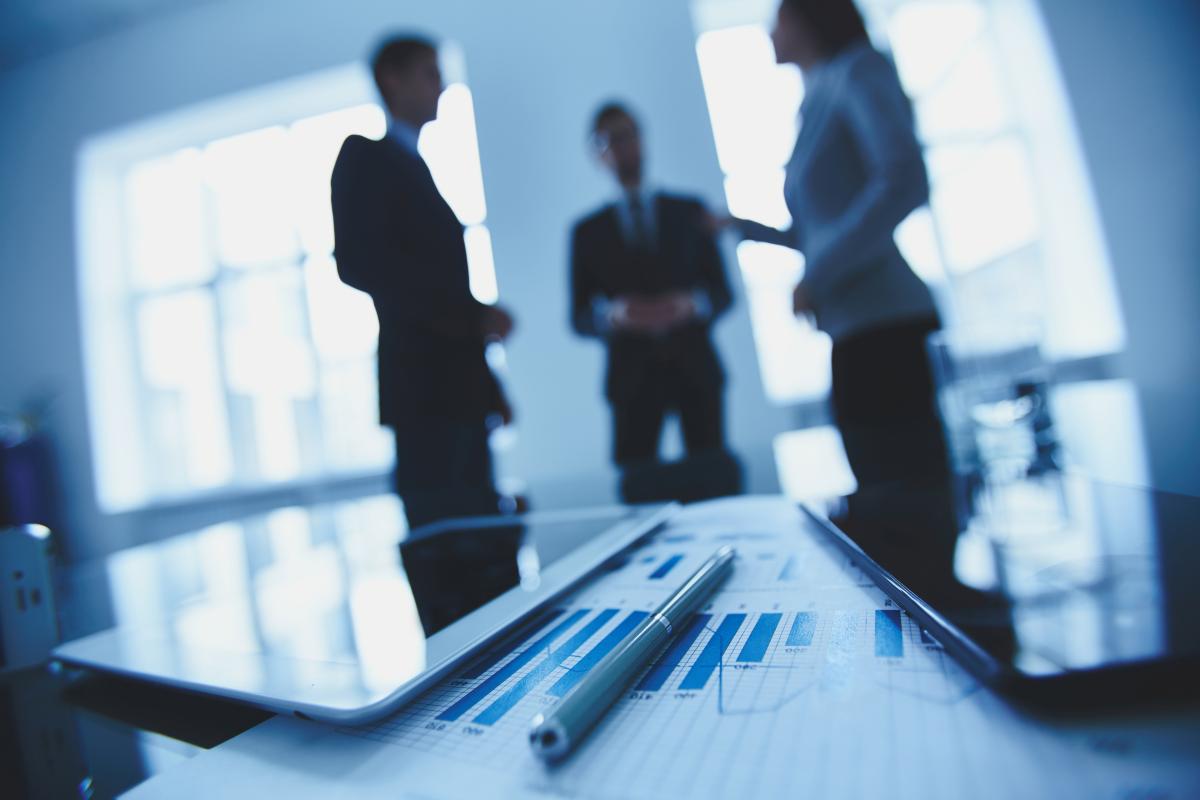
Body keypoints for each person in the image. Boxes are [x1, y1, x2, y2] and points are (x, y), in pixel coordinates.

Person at [723, 0, 948, 485]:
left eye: (778, 17)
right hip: (854, 327)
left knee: (904, 491)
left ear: (808, 19)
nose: (770, 31)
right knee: (881, 486)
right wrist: (739, 226)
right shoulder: (817, 97)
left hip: (883, 323)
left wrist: (816, 275)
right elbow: (816, 231)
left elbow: (904, 178)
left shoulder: (858, 71)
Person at [331, 35, 516, 529]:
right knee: (450, 557)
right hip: (425, 397)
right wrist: (474, 317)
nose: (443, 85)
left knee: (484, 550)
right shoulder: (365, 156)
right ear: (393, 79)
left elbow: (430, 280)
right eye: (430, 73)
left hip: (459, 395)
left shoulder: (415, 166)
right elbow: (360, 263)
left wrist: (489, 381)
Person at [570, 102, 736, 481]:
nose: (621, 147)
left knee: (714, 481)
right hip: (632, 381)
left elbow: (722, 292)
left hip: (696, 370)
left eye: (627, 135)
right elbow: (579, 316)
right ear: (596, 154)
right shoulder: (586, 233)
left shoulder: (689, 211)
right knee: (638, 488)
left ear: (643, 140)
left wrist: (690, 305)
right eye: (608, 141)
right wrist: (613, 315)